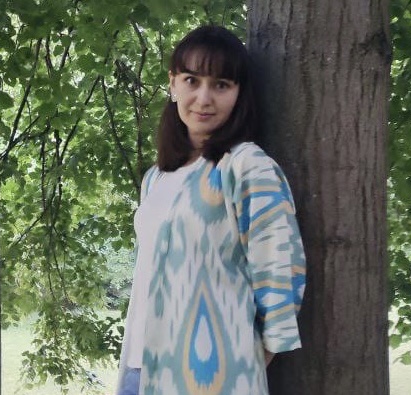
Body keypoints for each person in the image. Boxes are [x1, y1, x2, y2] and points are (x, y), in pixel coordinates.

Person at [116, 25, 306, 395]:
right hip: (140, 369)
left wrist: (242, 360)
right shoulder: (156, 178)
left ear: (238, 94)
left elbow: (280, 268)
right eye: (192, 80)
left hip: (210, 375)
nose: (204, 98)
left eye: (221, 85)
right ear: (173, 85)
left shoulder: (245, 167)